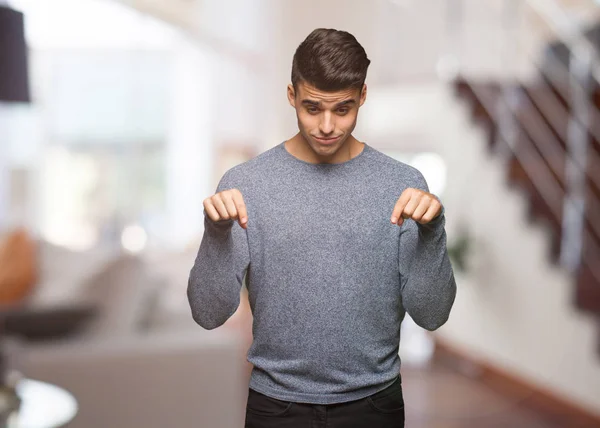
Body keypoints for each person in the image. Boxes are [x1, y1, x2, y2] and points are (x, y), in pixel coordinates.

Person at [188, 27, 457, 428]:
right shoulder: (245, 185)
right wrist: (216, 236)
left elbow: (433, 315)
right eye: (312, 108)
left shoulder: (403, 185)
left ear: (362, 96)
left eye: (343, 108)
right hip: (275, 406)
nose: (327, 125)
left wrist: (433, 233)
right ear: (291, 95)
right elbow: (208, 314)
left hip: (375, 405)